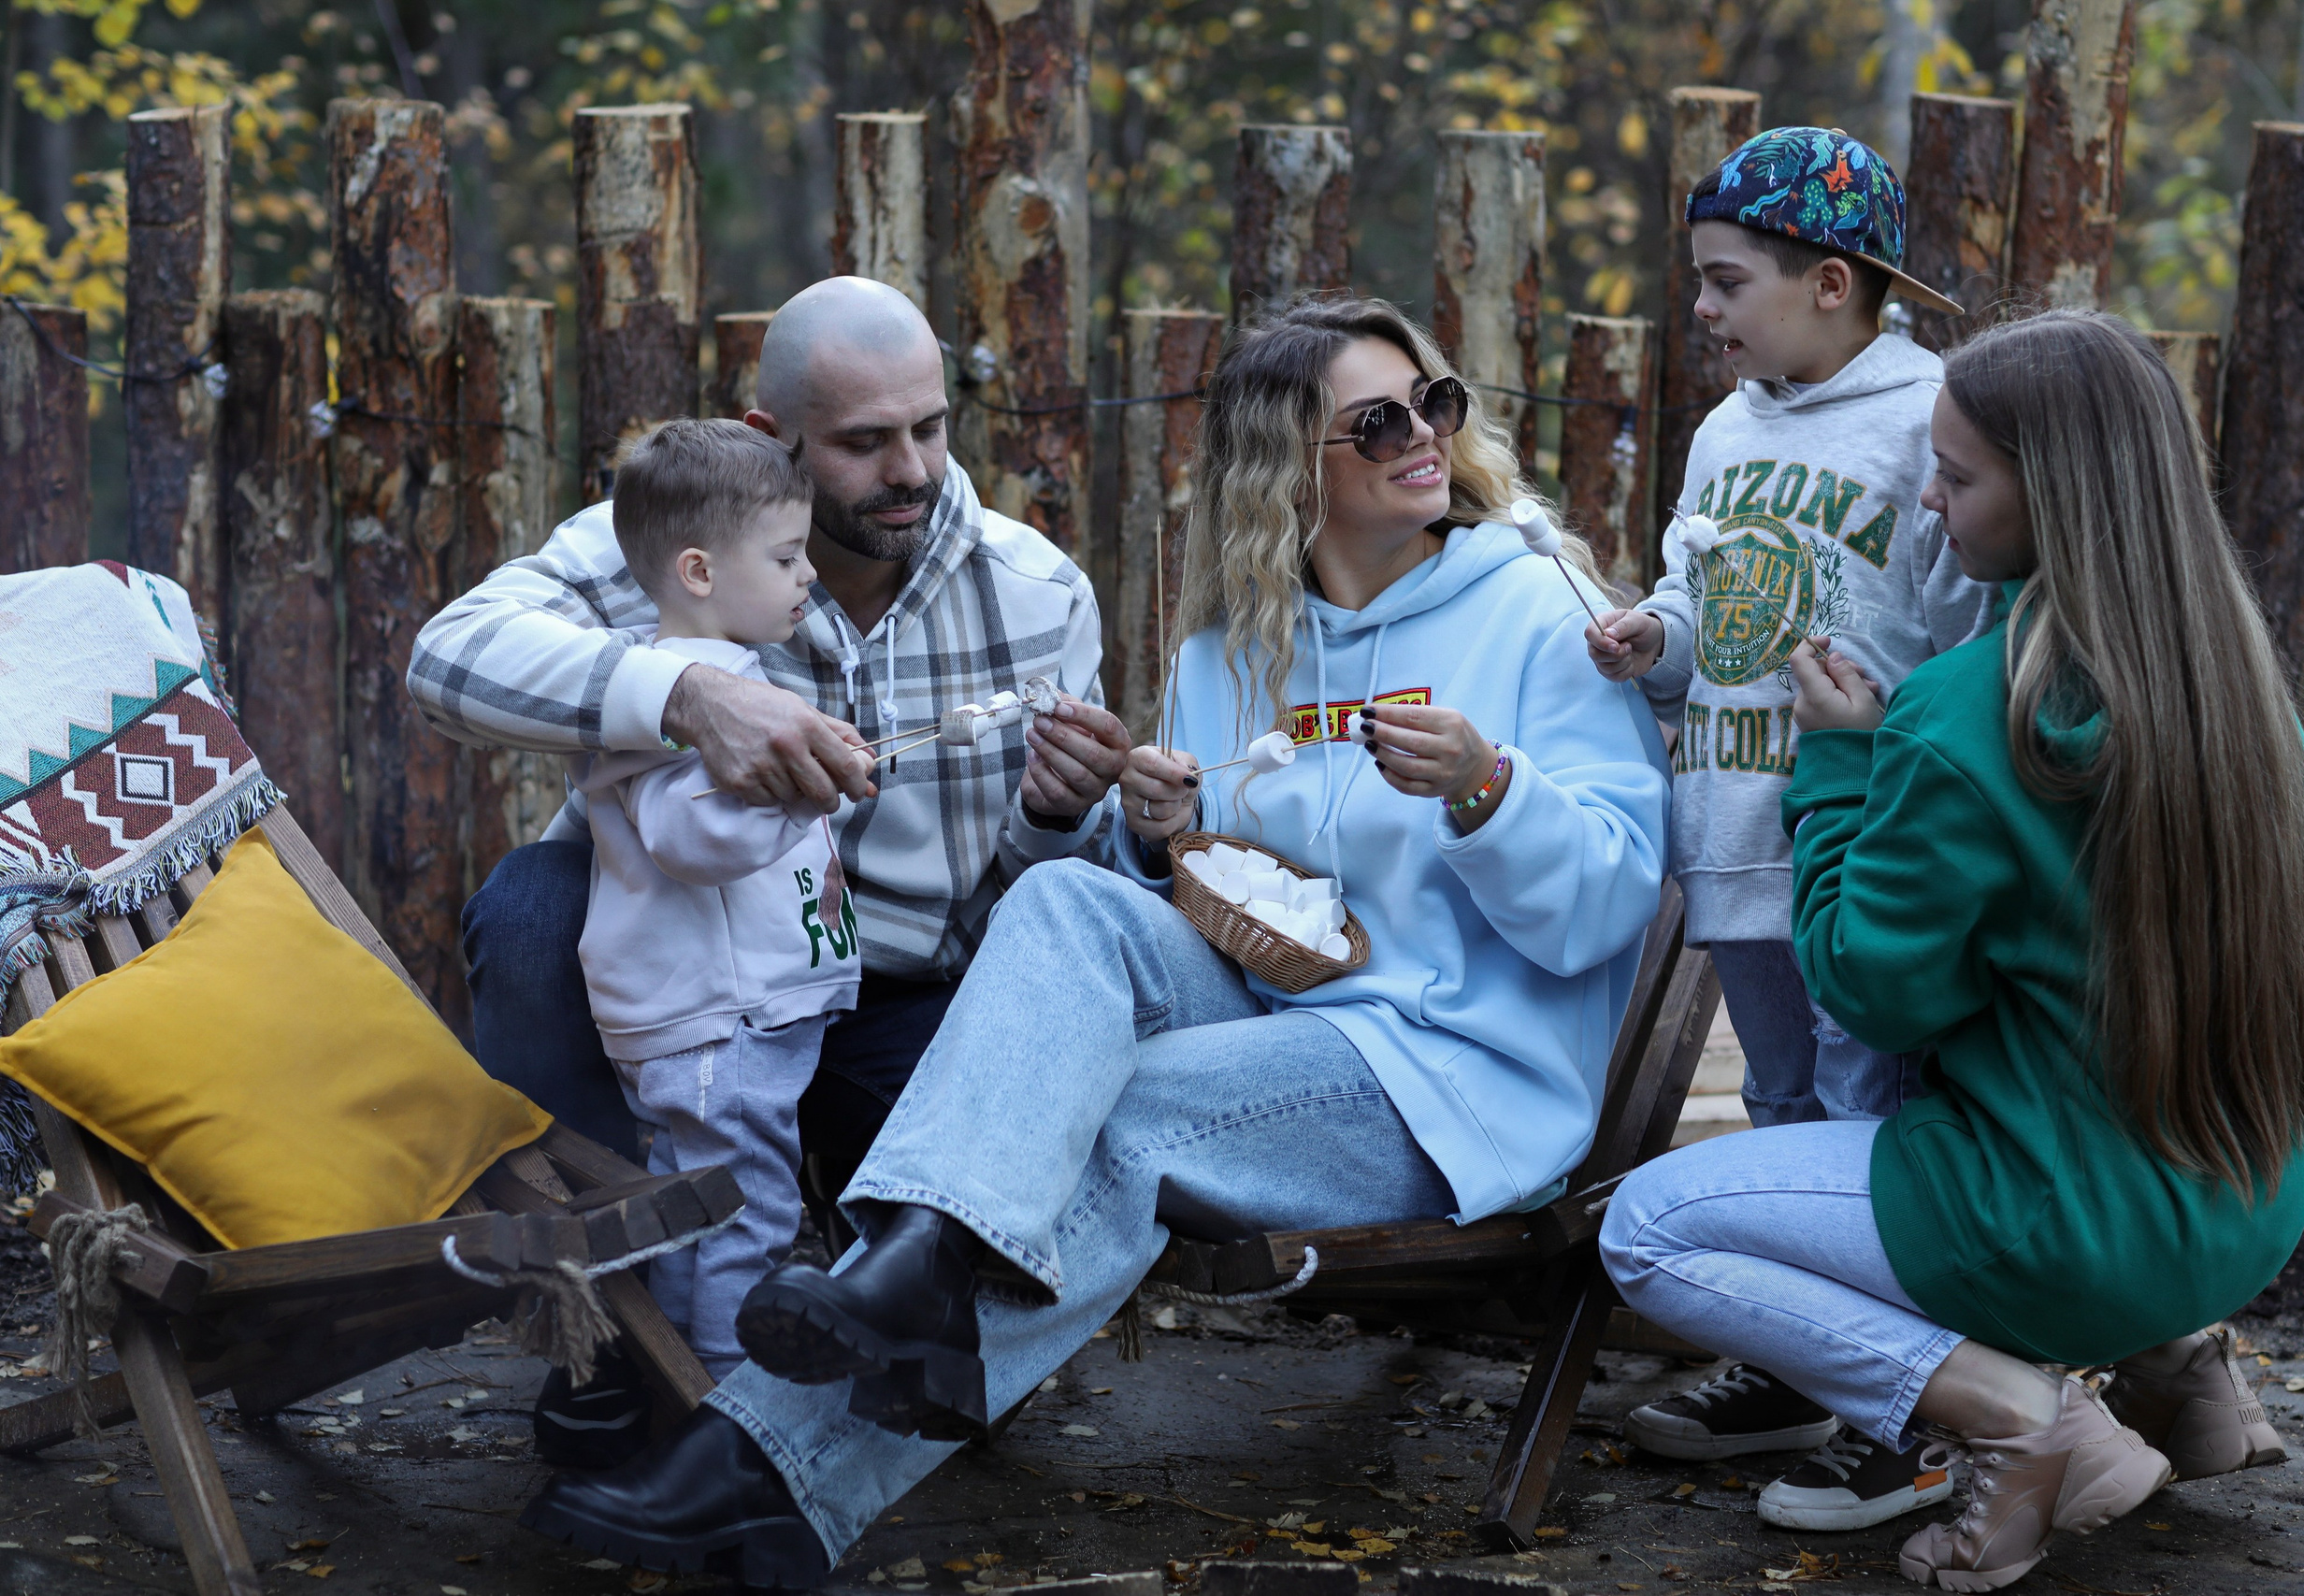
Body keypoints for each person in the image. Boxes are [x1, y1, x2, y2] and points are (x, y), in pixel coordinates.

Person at [513, 295, 1672, 1587]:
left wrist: (1486, 790)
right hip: (1274, 1019)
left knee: (1113, 1127)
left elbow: (1607, 908)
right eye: (1379, 419)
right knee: (1065, 897)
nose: (1425, 437)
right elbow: (1227, 898)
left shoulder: (1537, 609)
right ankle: (910, 1271)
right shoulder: (1236, 642)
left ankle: (768, 1464)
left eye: (1435, 403)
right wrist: (1155, 826)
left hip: (1449, 1070)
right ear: (1289, 465)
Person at [1602, 309, 2304, 1590]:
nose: (1931, 505)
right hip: (2243, 1207)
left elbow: (1871, 991)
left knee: (1649, 1227)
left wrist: (1835, 764)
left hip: (2061, 1227)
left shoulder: (1962, 714)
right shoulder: (2253, 712)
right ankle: (2185, 1377)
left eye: (1956, 474)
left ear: (2050, 490)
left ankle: (2011, 1408)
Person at [407, 277, 1132, 1457]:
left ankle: (863, 1294)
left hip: (898, 994)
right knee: (533, 906)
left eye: (929, 428)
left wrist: (1061, 816)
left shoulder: (1038, 592)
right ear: (770, 439)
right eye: (860, 443)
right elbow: (447, 661)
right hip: (679, 981)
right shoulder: (669, 543)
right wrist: (687, 693)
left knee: (945, 1397)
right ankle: (609, 1324)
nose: (911, 471)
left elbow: (1050, 899)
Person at [1584, 125, 1992, 1522]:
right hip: (1735, 829)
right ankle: (1805, 1366)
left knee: (1871, 1125)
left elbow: (1962, 629)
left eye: (1722, 280)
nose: (1700, 309)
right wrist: (1657, 639)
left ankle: (1920, 1414)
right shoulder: (1725, 426)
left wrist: (1892, 732)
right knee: (1780, 1114)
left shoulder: (1928, 416)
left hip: (1864, 849)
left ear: (1831, 280)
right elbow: (1714, 613)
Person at [573, 420, 866, 1378]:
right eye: (785, 558)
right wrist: (808, 796)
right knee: (745, 1209)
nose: (807, 577)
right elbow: (692, 841)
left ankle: (675, 1387)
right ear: (697, 571)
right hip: (717, 1021)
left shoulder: (737, 679)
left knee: (698, 1202)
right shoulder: (671, 699)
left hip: (739, 1012)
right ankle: (729, 1406)